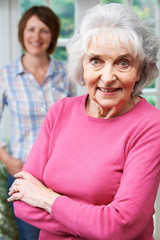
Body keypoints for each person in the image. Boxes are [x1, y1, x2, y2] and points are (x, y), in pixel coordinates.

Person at [7, 3, 160, 240]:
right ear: (82, 64)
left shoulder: (151, 125)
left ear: (140, 70)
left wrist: (46, 198)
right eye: (96, 60)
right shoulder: (60, 111)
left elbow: (119, 227)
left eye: (123, 62)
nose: (107, 78)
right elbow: (22, 203)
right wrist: (95, 223)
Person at [0, 5, 76, 240]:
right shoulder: (6, 76)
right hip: (25, 174)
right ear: (22, 32)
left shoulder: (65, 73)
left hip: (64, 174)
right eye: (31, 29)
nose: (36, 36)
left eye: (44, 30)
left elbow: (77, 121)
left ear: (52, 35)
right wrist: (6, 158)